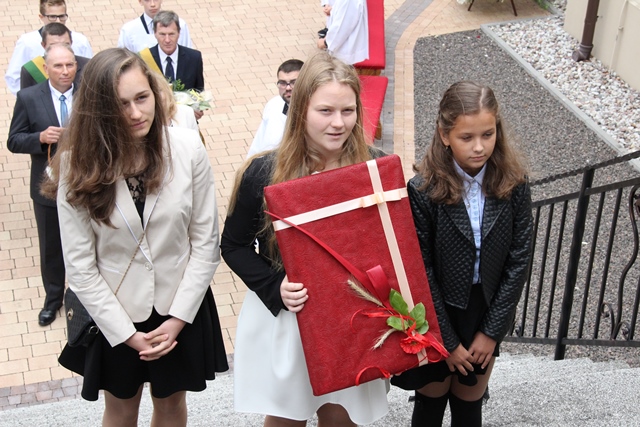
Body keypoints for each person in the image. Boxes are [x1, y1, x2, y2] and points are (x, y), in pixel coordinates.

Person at [43, 48, 228, 425]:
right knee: (121, 408)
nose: (135, 113)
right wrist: (126, 334)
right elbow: (80, 268)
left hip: (179, 303)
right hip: (115, 309)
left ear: (155, 94)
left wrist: (178, 319)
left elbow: (206, 243)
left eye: (142, 98)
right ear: (98, 111)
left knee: (172, 405)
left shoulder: (187, 148)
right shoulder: (77, 166)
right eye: (120, 105)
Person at [221, 51, 389, 427]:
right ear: (301, 110)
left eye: (348, 111)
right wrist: (275, 285)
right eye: (325, 111)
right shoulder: (262, 172)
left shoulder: (375, 168)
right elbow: (232, 245)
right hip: (290, 317)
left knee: (342, 418)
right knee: (286, 418)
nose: (338, 123)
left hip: (353, 317)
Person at [390, 81, 533, 427]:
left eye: (488, 134)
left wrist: (491, 332)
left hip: (485, 310)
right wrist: (447, 342)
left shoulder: (514, 182)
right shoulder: (423, 190)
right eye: (466, 137)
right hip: (437, 313)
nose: (479, 147)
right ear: (444, 135)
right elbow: (421, 268)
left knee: (469, 402)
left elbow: (519, 259)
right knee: (431, 401)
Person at [7, 43, 78, 327]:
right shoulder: (28, 97)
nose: (65, 71)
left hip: (86, 182)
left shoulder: (89, 93)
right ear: (46, 68)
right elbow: (14, 140)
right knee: (51, 247)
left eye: (70, 65)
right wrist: (39, 137)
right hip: (48, 184)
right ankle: (53, 300)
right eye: (58, 66)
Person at [5, 0, 92, 95]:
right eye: (52, 17)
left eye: (61, 16)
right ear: (41, 17)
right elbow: (14, 78)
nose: (58, 21)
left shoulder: (81, 40)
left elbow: (91, 72)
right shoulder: (27, 42)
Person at [146, 10, 204, 119]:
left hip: (185, 121)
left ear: (179, 33)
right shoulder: (144, 60)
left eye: (171, 34)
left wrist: (198, 107)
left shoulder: (194, 58)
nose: (167, 40)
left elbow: (198, 89)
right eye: (162, 34)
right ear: (155, 33)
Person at [246, 59, 303, 157]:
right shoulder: (273, 105)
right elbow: (259, 142)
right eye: (283, 83)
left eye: (293, 82)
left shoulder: (315, 113)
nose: (288, 88)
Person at [20, 22, 90, 90]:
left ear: (71, 43)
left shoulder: (87, 65)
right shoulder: (31, 69)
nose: (60, 49)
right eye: (54, 45)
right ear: (43, 45)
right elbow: (26, 95)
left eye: (66, 44)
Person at [117, 0, 192, 53]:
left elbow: (188, 53)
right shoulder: (128, 30)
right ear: (140, 1)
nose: (152, 4)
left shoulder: (180, 24)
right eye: (147, 0)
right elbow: (122, 60)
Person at [316, 0, 368, 65]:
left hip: (344, 51)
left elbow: (342, 26)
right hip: (343, 48)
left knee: (341, 68)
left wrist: (326, 42)